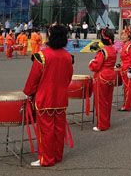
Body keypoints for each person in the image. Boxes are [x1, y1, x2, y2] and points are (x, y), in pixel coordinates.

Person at [23, 24, 74, 167]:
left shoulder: (42, 55)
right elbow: (68, 77)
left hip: (45, 98)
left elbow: (33, 79)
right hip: (61, 98)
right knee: (59, 129)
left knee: (46, 130)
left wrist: (28, 93)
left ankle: (46, 158)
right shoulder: (68, 56)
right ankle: (57, 155)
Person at [88, 29, 117, 131]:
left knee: (100, 101)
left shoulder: (103, 51)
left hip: (102, 76)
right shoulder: (113, 49)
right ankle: (106, 122)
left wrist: (91, 62)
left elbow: (96, 66)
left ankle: (102, 125)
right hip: (111, 75)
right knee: (108, 101)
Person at [119, 31, 131, 111]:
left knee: (128, 88)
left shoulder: (130, 46)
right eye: (122, 35)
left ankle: (127, 106)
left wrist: (130, 69)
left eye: (125, 35)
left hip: (128, 69)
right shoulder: (125, 45)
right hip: (124, 68)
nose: (122, 36)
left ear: (129, 37)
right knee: (129, 88)